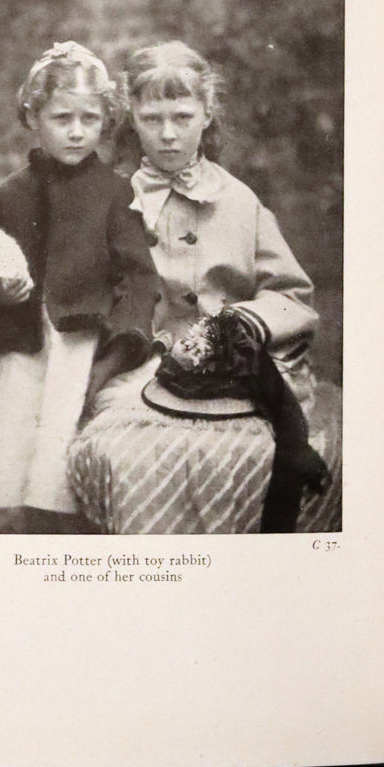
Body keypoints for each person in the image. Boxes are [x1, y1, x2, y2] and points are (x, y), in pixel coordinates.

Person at [68, 41, 342, 534]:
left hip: (238, 373)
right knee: (131, 457)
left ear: (208, 113)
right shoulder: (111, 200)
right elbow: (84, 295)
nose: (169, 134)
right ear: (131, 116)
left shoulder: (239, 201)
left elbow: (290, 295)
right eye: (152, 118)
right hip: (144, 371)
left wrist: (248, 322)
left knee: (261, 456)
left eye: (182, 115)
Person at [0, 41, 160, 533]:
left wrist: (119, 346)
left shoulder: (114, 193)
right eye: (62, 117)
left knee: (68, 470)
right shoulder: (12, 193)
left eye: (90, 118)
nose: (78, 131)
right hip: (20, 350)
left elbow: (139, 276)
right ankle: (33, 548)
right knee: (21, 468)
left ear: (106, 120)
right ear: (33, 116)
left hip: (79, 351)